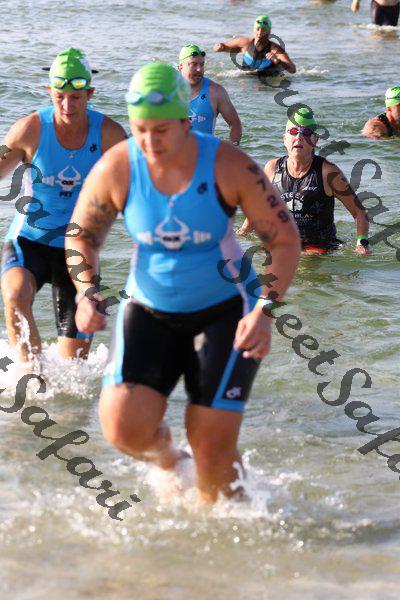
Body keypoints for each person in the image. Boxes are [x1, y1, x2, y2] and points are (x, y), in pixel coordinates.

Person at [66, 62, 301, 503]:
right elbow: (82, 236)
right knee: (122, 428)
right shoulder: (119, 167)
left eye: (161, 130)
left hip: (228, 311)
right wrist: (86, 292)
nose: (150, 142)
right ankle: (171, 461)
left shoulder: (228, 164)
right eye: (140, 130)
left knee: (211, 448)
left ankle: (236, 529)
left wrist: (265, 310)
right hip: (149, 307)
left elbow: (285, 241)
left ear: (185, 122)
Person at [0, 48, 126, 363]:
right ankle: (30, 377)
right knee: (15, 294)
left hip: (80, 249)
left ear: (90, 93)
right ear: (49, 92)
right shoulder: (29, 129)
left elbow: (137, 190)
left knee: (74, 369)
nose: (67, 106)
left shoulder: (110, 135)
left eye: (76, 97)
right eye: (59, 97)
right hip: (29, 239)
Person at [237, 108, 370, 255]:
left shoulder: (328, 172)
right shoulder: (272, 168)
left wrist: (362, 243)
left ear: (315, 140)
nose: (299, 137)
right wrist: (243, 231)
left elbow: (359, 212)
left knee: (306, 259)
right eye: (293, 132)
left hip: (318, 248)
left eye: (306, 132)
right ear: (284, 139)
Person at [177, 44, 242, 144]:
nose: (199, 69)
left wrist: (234, 147)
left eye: (202, 64)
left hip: (203, 151)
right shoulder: (167, 91)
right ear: (180, 67)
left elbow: (235, 124)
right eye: (194, 64)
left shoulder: (216, 92)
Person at [213, 15, 296, 76]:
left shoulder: (274, 49)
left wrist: (278, 61)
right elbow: (219, 47)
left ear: (269, 32)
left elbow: (293, 70)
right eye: (258, 29)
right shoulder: (244, 43)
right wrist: (219, 47)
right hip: (246, 78)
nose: (260, 32)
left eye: (263, 30)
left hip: (266, 81)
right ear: (253, 30)